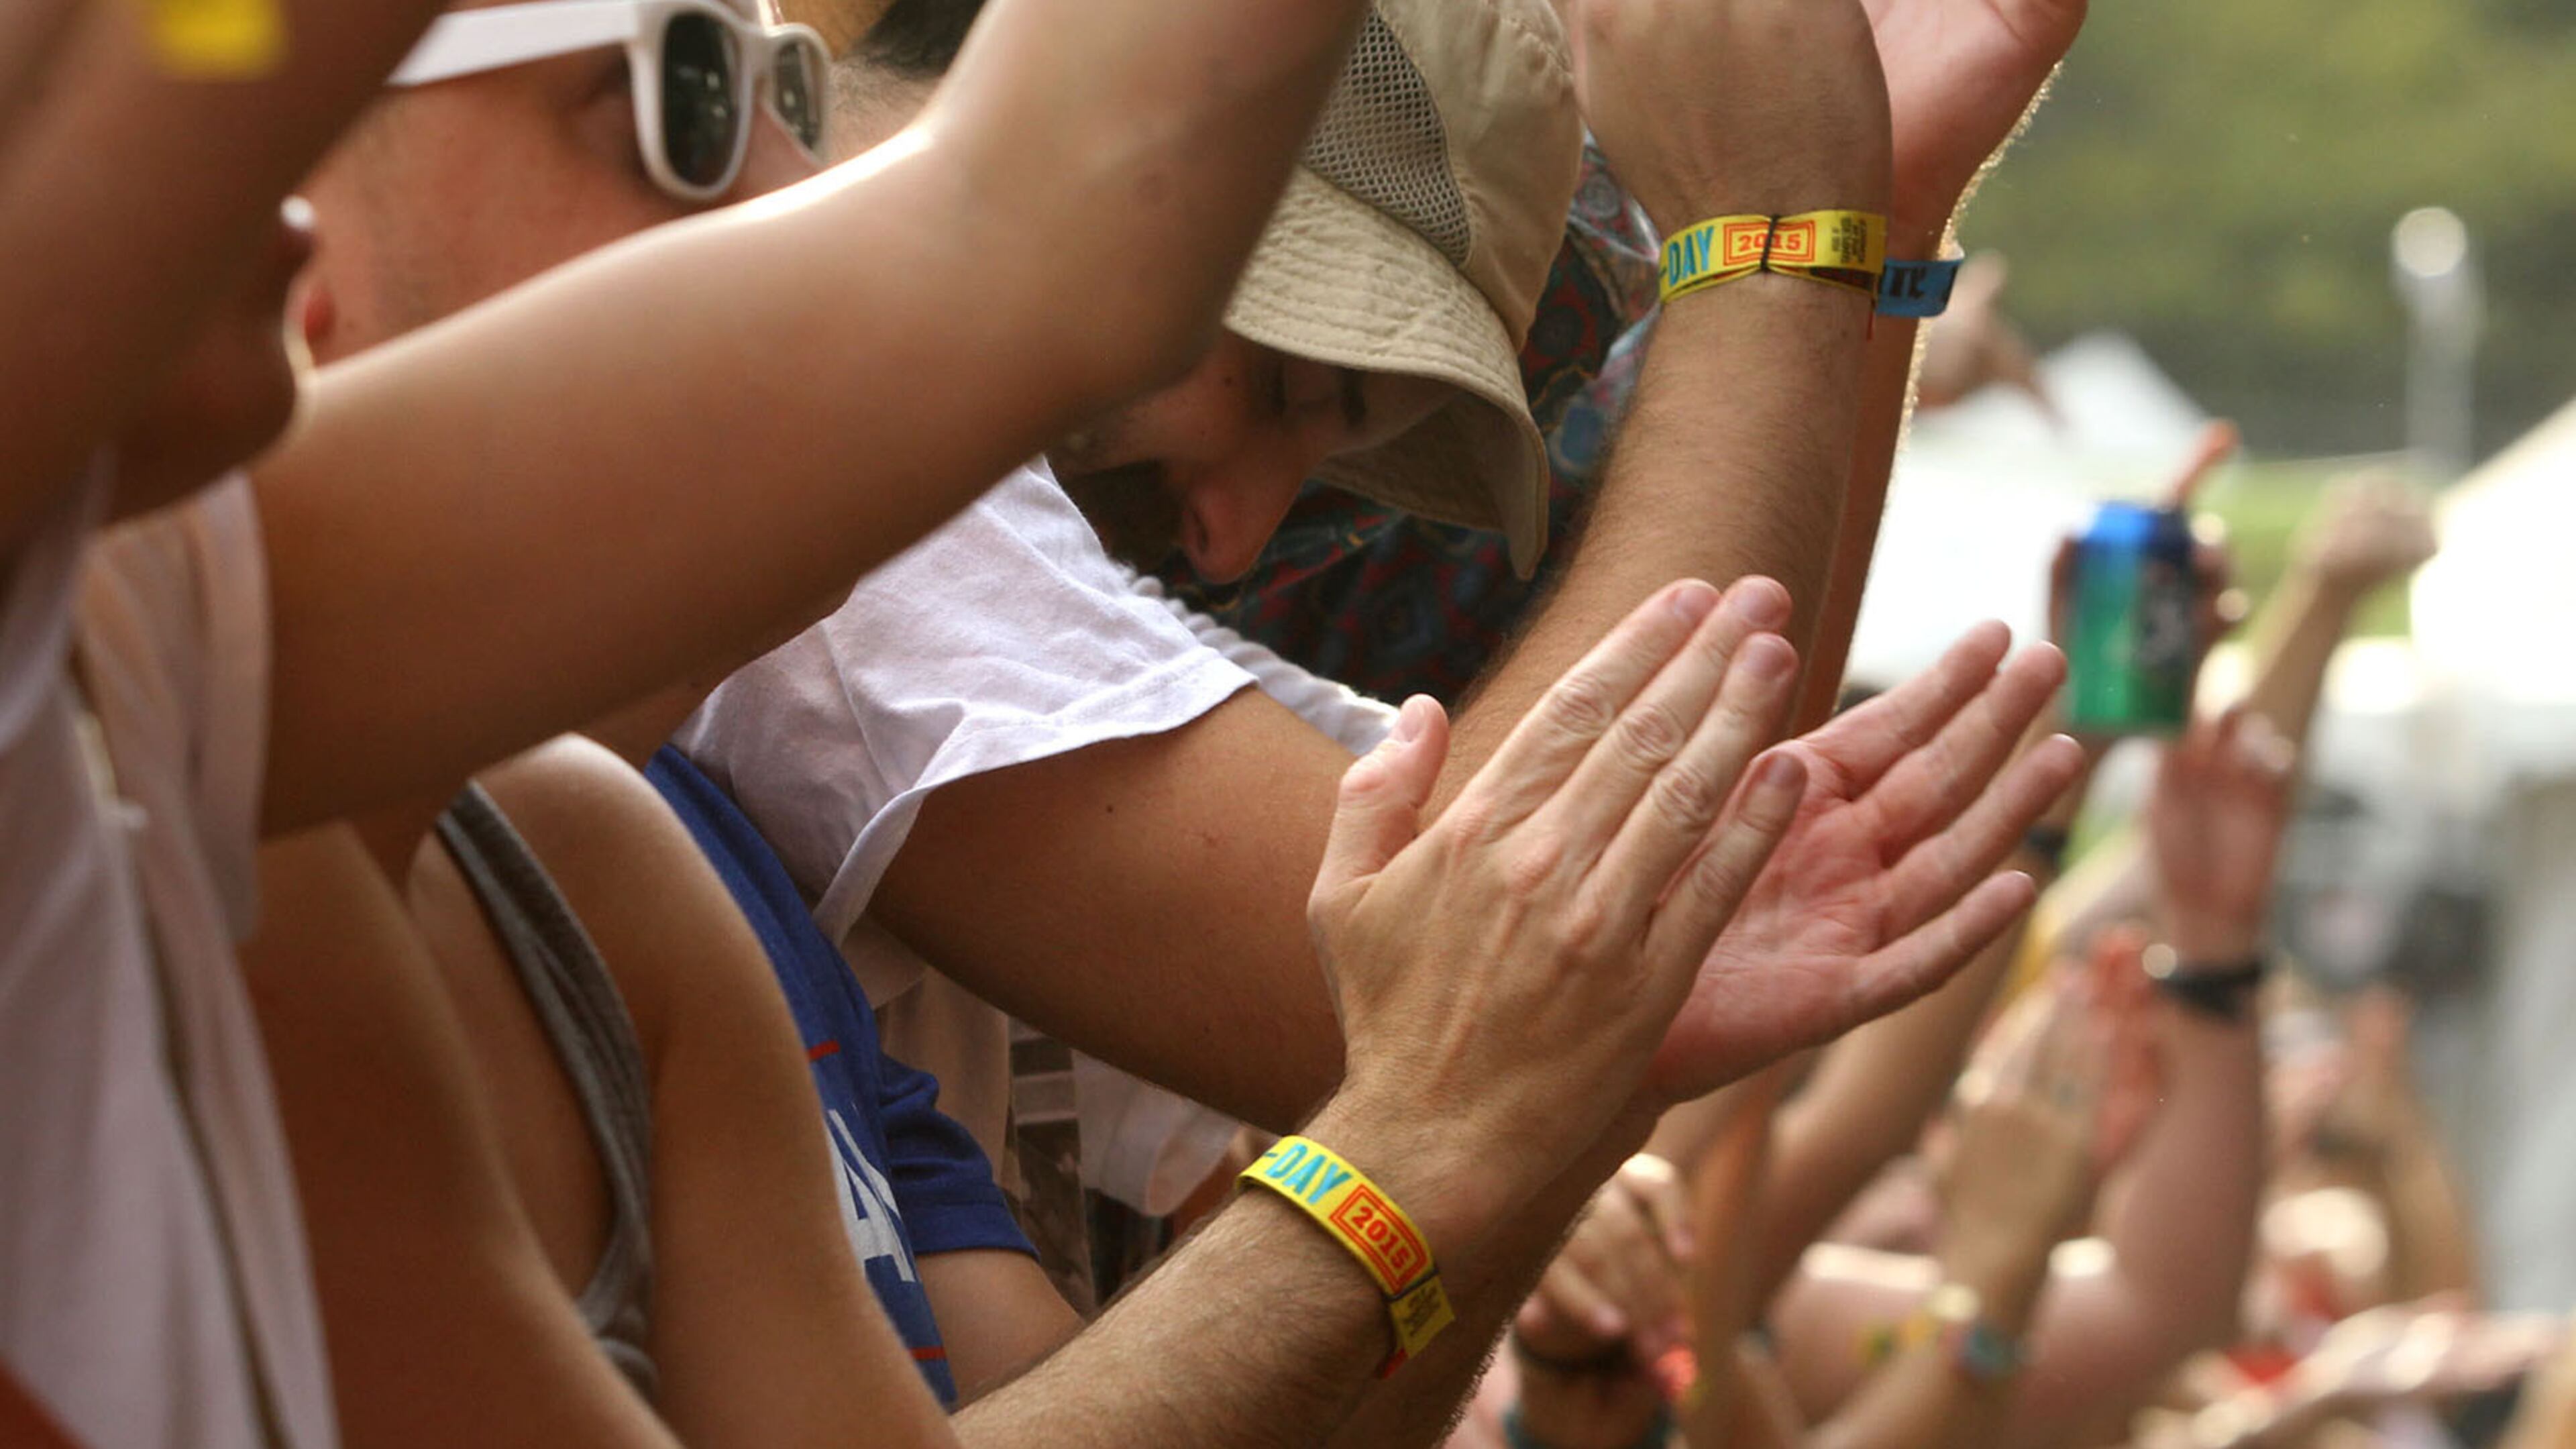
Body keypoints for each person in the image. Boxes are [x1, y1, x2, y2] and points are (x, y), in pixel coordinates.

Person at [4, 0, 1401, 1437]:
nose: (790, 194)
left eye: (792, 86)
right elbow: (1028, 236)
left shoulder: (248, 794)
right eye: (686, 92)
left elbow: (1028, 234)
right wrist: (1415, 1164)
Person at [684, 0, 2092, 1217]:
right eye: (1287, 384)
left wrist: (1873, 224)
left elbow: (1654, 895)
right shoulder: (802, 416)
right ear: (1150, 122)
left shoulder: (896, 449)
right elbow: (1463, 980)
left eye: (1321, 469)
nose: (1228, 544)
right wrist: (1777, 253)